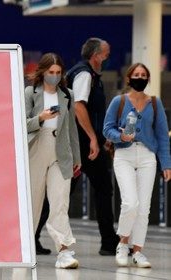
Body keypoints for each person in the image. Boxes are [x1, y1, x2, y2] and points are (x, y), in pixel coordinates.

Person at [103, 63, 171, 268]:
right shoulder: (119, 101)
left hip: (148, 156)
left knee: (143, 208)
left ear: (148, 79)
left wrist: (166, 163)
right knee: (130, 203)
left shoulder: (155, 103)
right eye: (136, 74)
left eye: (143, 75)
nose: (140, 77)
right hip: (124, 154)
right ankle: (123, 243)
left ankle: (138, 251)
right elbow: (107, 129)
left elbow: (162, 136)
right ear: (128, 79)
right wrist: (120, 135)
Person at [25, 53, 81, 269]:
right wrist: (40, 118)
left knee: (60, 202)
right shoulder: (31, 93)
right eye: (51, 72)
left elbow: (71, 128)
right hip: (37, 148)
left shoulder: (68, 94)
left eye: (58, 73)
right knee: (33, 201)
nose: (55, 76)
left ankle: (64, 251)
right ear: (43, 71)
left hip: (61, 150)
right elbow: (20, 123)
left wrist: (76, 156)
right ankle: (26, 249)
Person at [66, 38, 120, 256]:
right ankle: (108, 240)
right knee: (66, 192)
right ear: (96, 56)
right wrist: (93, 138)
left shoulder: (90, 75)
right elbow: (79, 107)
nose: (108, 58)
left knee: (101, 189)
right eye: (106, 54)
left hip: (86, 143)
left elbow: (95, 114)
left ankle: (108, 240)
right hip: (83, 145)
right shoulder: (84, 75)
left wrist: (101, 136)